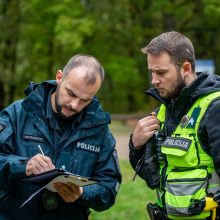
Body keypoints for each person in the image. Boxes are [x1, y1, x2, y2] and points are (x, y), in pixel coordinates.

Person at [0, 54, 121, 220]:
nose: (74, 105)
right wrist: (23, 165)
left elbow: (109, 188)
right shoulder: (18, 114)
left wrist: (83, 192)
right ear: (59, 77)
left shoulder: (99, 130)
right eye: (71, 93)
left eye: (85, 100)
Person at [129, 31, 220, 220]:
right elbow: (152, 178)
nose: (154, 80)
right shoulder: (162, 111)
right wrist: (135, 145)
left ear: (185, 68)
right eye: (152, 72)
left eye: (161, 72)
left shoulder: (214, 108)